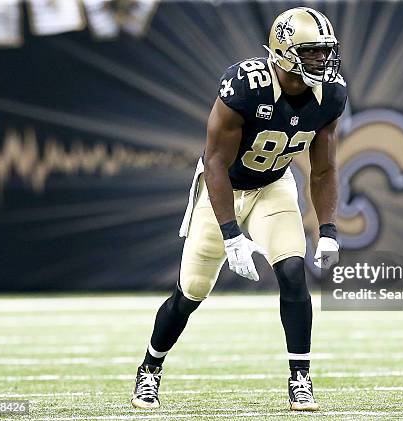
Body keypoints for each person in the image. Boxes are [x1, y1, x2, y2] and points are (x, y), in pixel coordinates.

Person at [132, 6, 347, 412]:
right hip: (222, 188)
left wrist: (329, 228)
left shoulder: (330, 93)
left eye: (325, 50)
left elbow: (324, 169)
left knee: (291, 268)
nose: (323, 59)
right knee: (192, 291)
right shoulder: (245, 86)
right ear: (284, 52)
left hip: (273, 185)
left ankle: (300, 378)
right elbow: (214, 161)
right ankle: (150, 368)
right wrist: (232, 234)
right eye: (313, 51)